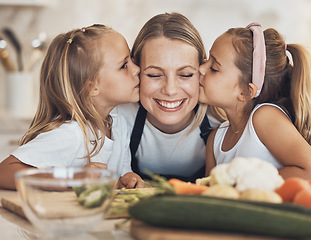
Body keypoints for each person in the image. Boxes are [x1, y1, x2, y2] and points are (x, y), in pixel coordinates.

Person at [0, 24, 143, 190]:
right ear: (92, 87)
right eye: (124, 65)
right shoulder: (71, 134)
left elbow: (117, 175)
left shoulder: (119, 123)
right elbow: (4, 171)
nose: (137, 69)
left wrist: (125, 178)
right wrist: (71, 178)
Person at [199, 23, 311, 182]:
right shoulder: (215, 140)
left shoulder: (264, 118)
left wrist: (240, 182)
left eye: (214, 68)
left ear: (245, 92)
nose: (201, 69)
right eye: (207, 59)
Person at [114, 12, 224, 183]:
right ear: (136, 70)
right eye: (155, 75)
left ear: (201, 72)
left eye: (186, 74)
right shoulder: (117, 120)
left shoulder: (221, 125)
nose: (170, 90)